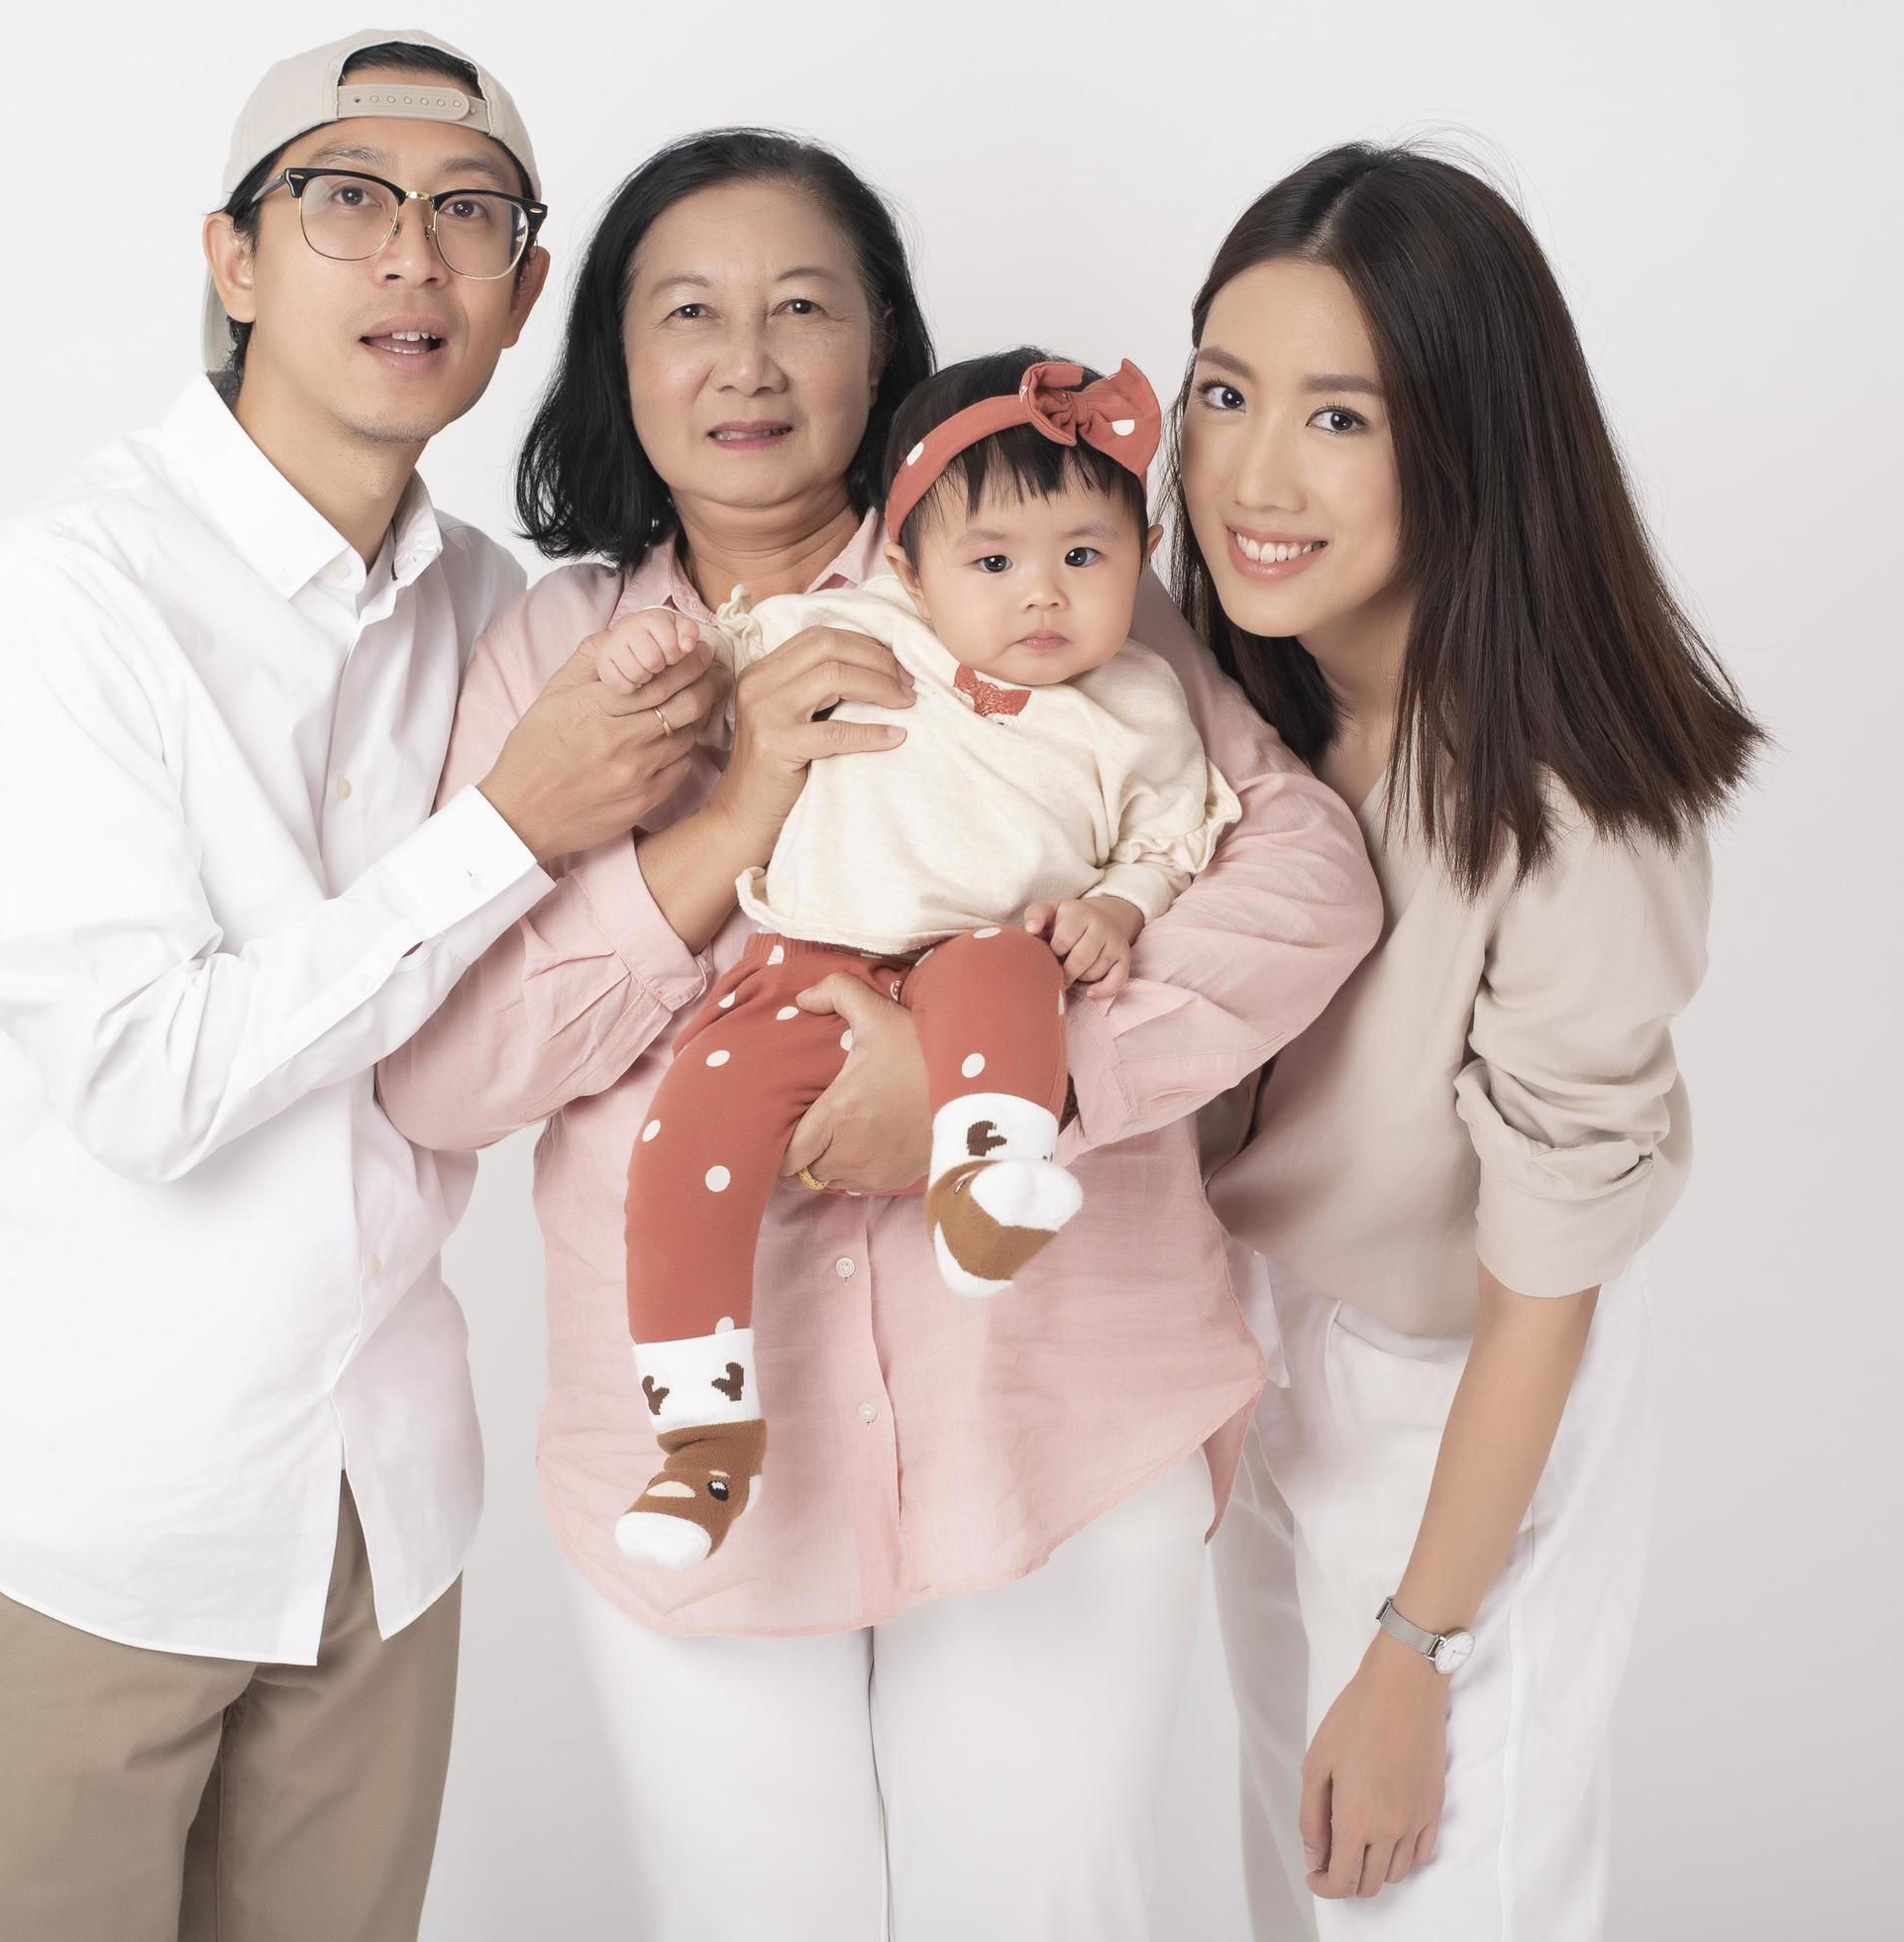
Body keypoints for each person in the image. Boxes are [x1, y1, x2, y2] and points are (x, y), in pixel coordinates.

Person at [379, 129, 1379, 1939]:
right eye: (687, 311)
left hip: (1057, 1407)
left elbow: (1305, 879)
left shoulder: (1039, 579)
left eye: (802, 307)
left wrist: (1019, 1085)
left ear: (883, 348)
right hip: (695, 1445)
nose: (745, 360)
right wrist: (721, 823)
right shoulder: (558, 656)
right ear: (617, 359)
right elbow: (446, 1070)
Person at [0, 33, 727, 1939]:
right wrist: (508, 824)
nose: (411, 255)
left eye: (470, 213)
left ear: (519, 292)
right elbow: (147, 1080)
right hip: (75, 1534)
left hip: (382, 1518)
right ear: (234, 258)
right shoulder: (52, 605)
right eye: (348, 197)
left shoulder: (506, 614)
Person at [1182, 145, 1766, 1938]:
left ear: (1470, 438)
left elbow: (1545, 1291)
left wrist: (1417, 1649)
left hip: (1467, 1382)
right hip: (1261, 1348)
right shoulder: (1239, 690)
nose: (1253, 476)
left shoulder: (1572, 805)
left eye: (1340, 418)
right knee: (1307, 1890)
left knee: (1436, 1889)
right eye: (1223, 392)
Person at [600, 348, 1241, 1567]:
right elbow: (720, 666)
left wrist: (1120, 904)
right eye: (993, 562)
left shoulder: (1144, 701)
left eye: (1085, 558)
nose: (1042, 596)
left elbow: (1169, 834)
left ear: (1141, 557)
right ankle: (700, 1436)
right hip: (803, 964)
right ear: (910, 568)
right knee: (687, 1136)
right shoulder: (848, 625)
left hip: (981, 961)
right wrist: (652, 662)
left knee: (1014, 969)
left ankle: (985, 1189)